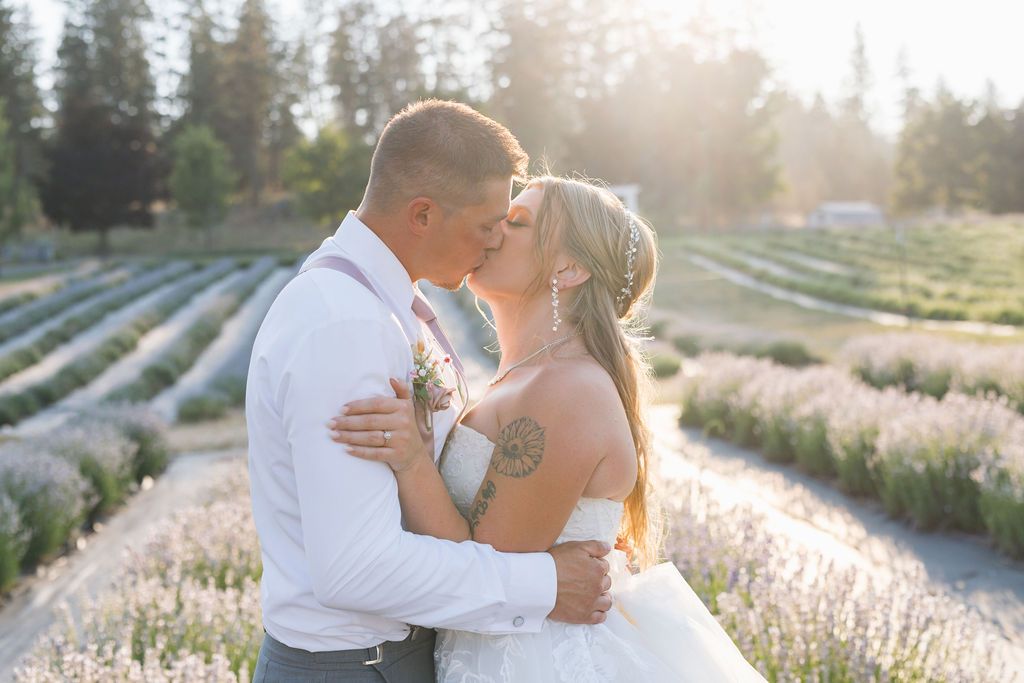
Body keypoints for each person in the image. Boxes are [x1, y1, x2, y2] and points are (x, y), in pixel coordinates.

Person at [331, 175, 768, 681]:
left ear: (569, 268)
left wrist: (410, 461)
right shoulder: (530, 378)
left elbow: (485, 567)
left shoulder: (564, 391)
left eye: (516, 222)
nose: (494, 228)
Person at [246, 101, 613, 683]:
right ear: (422, 214)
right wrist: (546, 584)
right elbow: (357, 570)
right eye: (488, 224)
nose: (493, 242)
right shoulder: (347, 323)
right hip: (356, 668)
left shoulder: (381, 306)